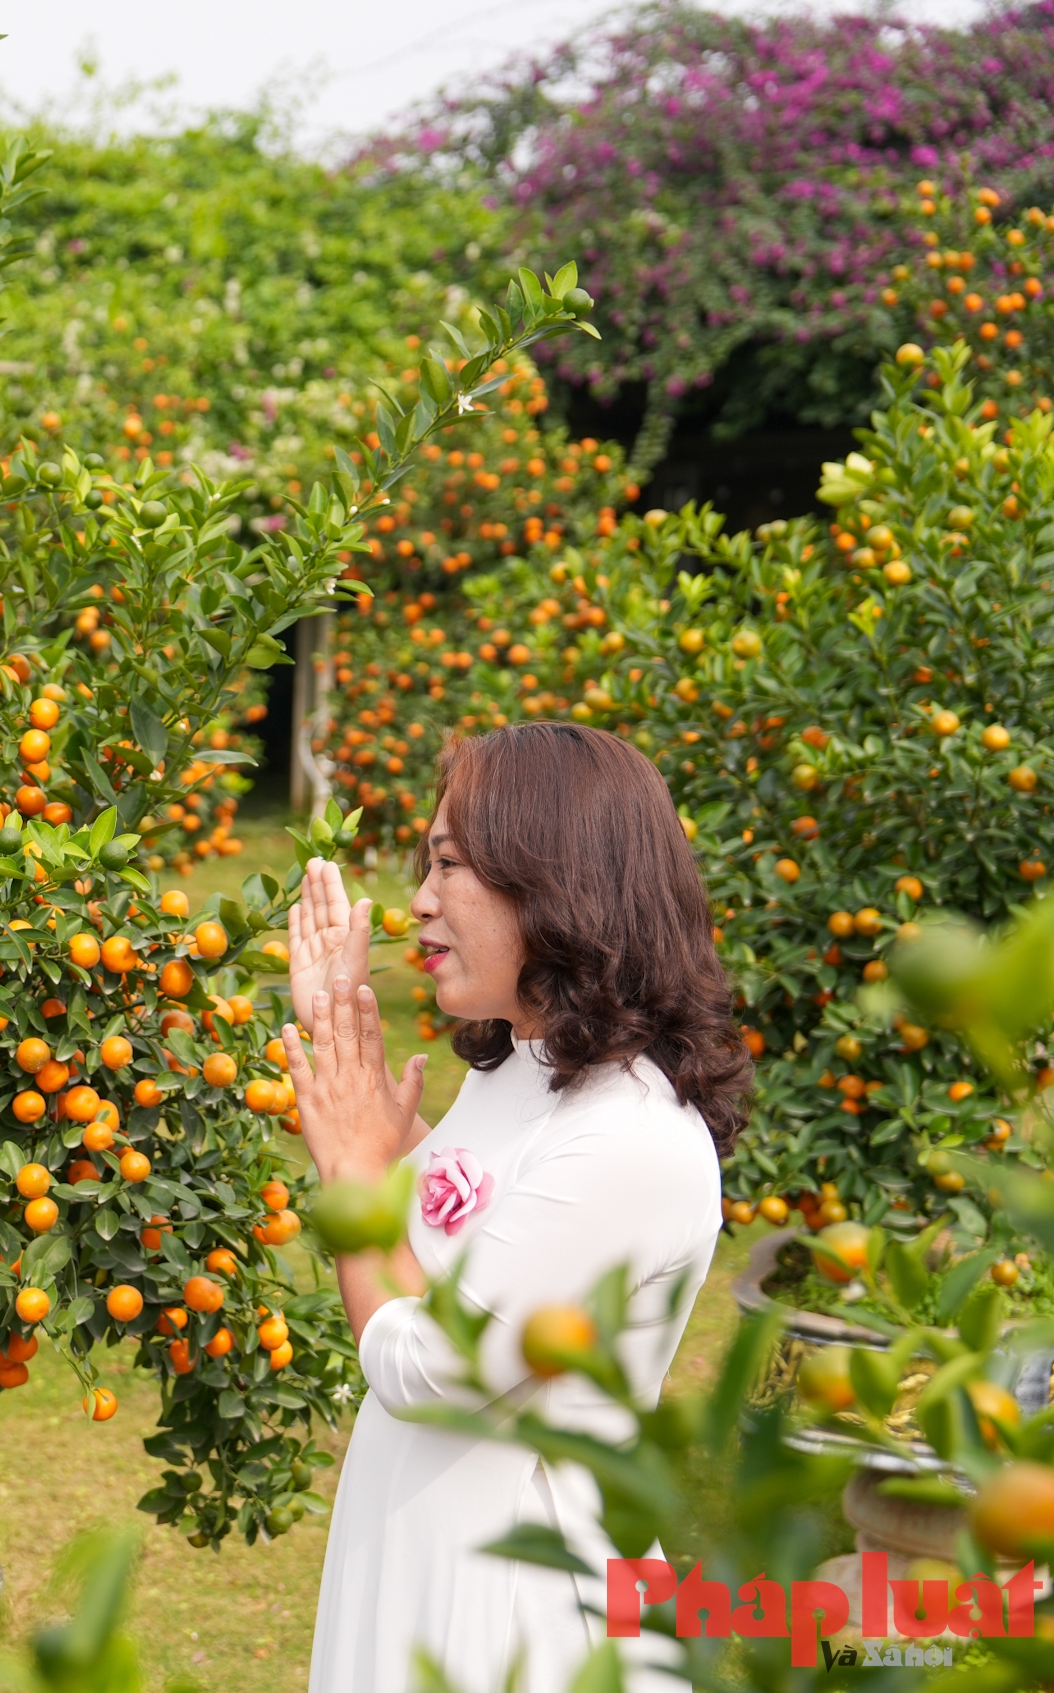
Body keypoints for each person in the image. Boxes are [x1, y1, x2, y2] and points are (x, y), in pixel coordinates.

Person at [289, 722, 750, 1693]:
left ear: (555, 883)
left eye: (448, 865)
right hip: (429, 1556)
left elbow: (439, 1366)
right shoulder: (530, 1070)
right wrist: (357, 1091)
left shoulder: (630, 1137)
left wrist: (353, 1176)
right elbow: (464, 1230)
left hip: (521, 1622)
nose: (418, 900)